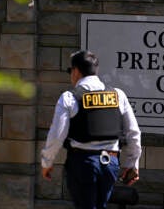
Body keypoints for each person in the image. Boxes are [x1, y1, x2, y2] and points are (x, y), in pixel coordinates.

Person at [41, 50, 142, 209]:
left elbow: (57, 135)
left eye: (70, 71)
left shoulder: (69, 97)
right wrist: (132, 164)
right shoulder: (118, 95)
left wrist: (47, 161)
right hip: (110, 163)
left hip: (83, 163)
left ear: (76, 71)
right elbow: (134, 133)